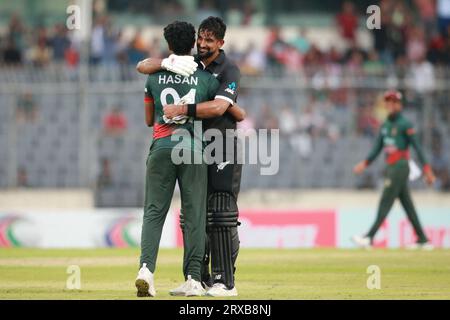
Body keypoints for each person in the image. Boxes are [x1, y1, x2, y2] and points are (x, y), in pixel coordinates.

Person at [136, 16, 245, 297]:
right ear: (194, 40)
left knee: (215, 212)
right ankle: (197, 278)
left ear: (221, 43)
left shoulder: (229, 69)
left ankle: (222, 281)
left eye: (210, 40)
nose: (204, 44)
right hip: (194, 149)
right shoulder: (198, 70)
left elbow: (223, 108)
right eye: (201, 39)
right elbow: (144, 65)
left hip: (215, 145)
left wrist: (184, 108)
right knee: (194, 215)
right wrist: (167, 62)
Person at [352, 90, 436, 250]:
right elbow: (377, 148)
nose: (390, 105)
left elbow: (418, 148)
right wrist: (365, 163)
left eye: (394, 102)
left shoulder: (405, 124)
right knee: (407, 205)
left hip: (400, 166)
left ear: (400, 105)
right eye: (388, 102)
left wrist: (427, 170)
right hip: (391, 166)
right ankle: (423, 239)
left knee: (385, 201)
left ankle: (369, 237)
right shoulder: (385, 125)